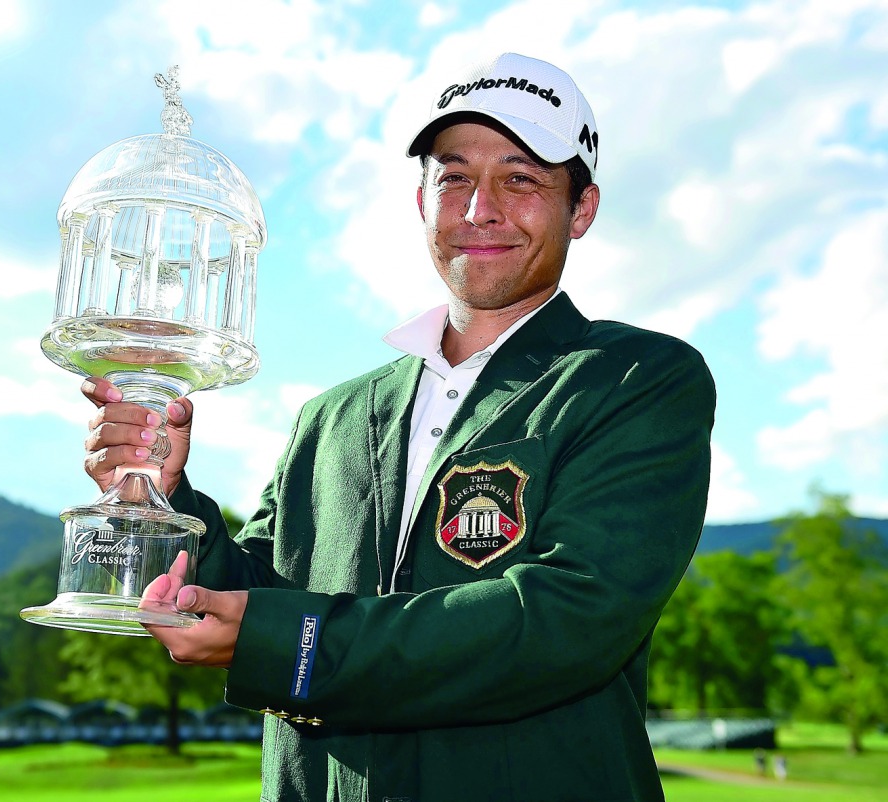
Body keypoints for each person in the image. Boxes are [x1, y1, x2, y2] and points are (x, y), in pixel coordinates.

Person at [82, 52, 714, 802]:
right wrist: (170, 498)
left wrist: (294, 644)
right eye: (453, 177)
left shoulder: (634, 378)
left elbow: (564, 617)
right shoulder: (332, 416)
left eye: (521, 179)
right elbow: (257, 591)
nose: (480, 209)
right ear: (421, 201)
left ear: (581, 209)